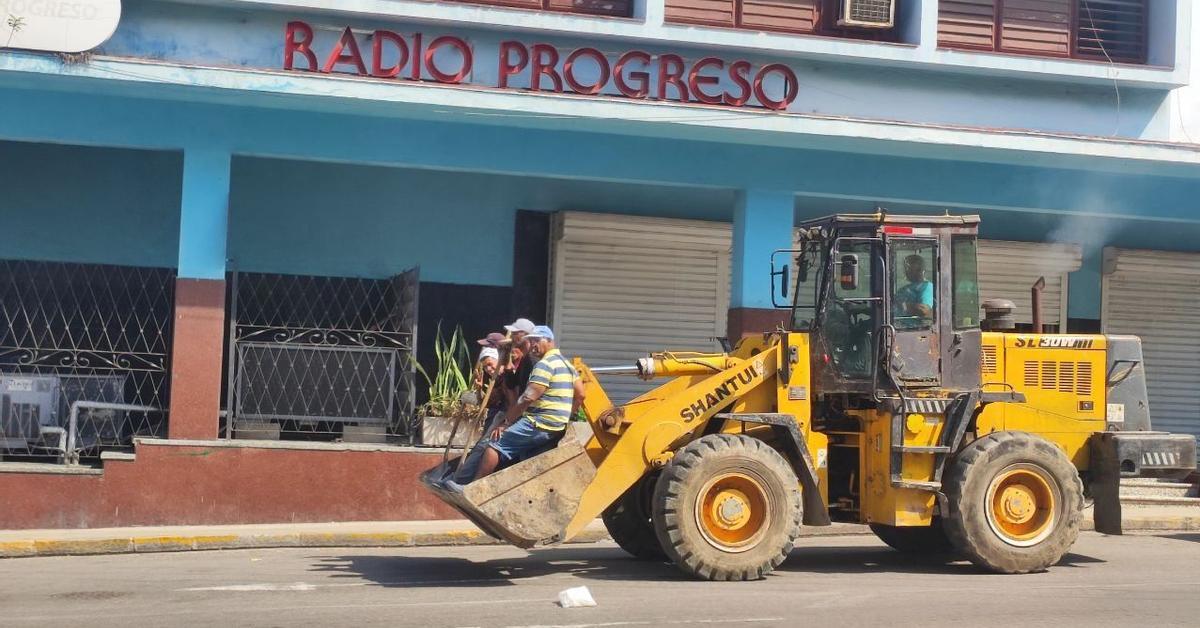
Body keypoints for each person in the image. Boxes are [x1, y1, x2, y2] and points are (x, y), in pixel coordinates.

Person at [458, 325, 584, 486]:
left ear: (549, 341)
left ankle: (472, 488)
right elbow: (581, 394)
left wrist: (506, 423)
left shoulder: (544, 364)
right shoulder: (567, 365)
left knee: (495, 443)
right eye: (531, 342)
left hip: (539, 422)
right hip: (556, 424)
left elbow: (527, 398)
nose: (533, 345)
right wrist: (565, 416)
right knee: (524, 456)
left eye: (536, 341)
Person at [894, 254, 934, 328]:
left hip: (908, 328)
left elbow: (924, 310)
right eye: (906, 268)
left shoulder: (926, 286)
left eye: (908, 268)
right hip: (891, 321)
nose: (906, 272)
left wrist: (903, 305)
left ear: (920, 270)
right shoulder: (905, 288)